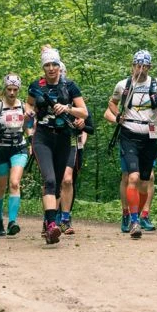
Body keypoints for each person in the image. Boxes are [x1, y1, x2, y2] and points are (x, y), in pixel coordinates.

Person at [104, 49, 157, 239]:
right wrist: (117, 116)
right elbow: (112, 103)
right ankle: (133, 220)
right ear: (133, 65)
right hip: (129, 134)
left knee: (145, 181)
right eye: (138, 65)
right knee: (133, 177)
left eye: (145, 66)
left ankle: (140, 215)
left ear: (149, 67)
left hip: (150, 136)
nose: (141, 69)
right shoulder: (123, 85)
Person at [25, 47, 88, 245]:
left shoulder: (70, 86)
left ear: (60, 66)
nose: (51, 68)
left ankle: (48, 222)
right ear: (43, 67)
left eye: (54, 64)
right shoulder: (35, 86)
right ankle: (53, 225)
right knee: (50, 180)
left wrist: (68, 108)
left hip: (64, 138)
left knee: (60, 181)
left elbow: (84, 113)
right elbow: (29, 105)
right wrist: (29, 114)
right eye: (47, 65)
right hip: (42, 137)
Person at [0, 74, 30, 236]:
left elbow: (29, 128)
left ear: (19, 90)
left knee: (14, 183)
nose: (12, 93)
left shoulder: (23, 106)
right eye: (9, 89)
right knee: (1, 186)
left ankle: (13, 222)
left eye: (15, 89)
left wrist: (30, 127)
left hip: (18, 148)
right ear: (4, 89)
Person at [56, 62, 94, 235]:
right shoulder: (48, 97)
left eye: (63, 73)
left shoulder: (77, 98)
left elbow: (89, 127)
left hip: (74, 144)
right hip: (52, 143)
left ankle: (65, 217)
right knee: (54, 180)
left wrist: (82, 124)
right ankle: (51, 217)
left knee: (68, 180)